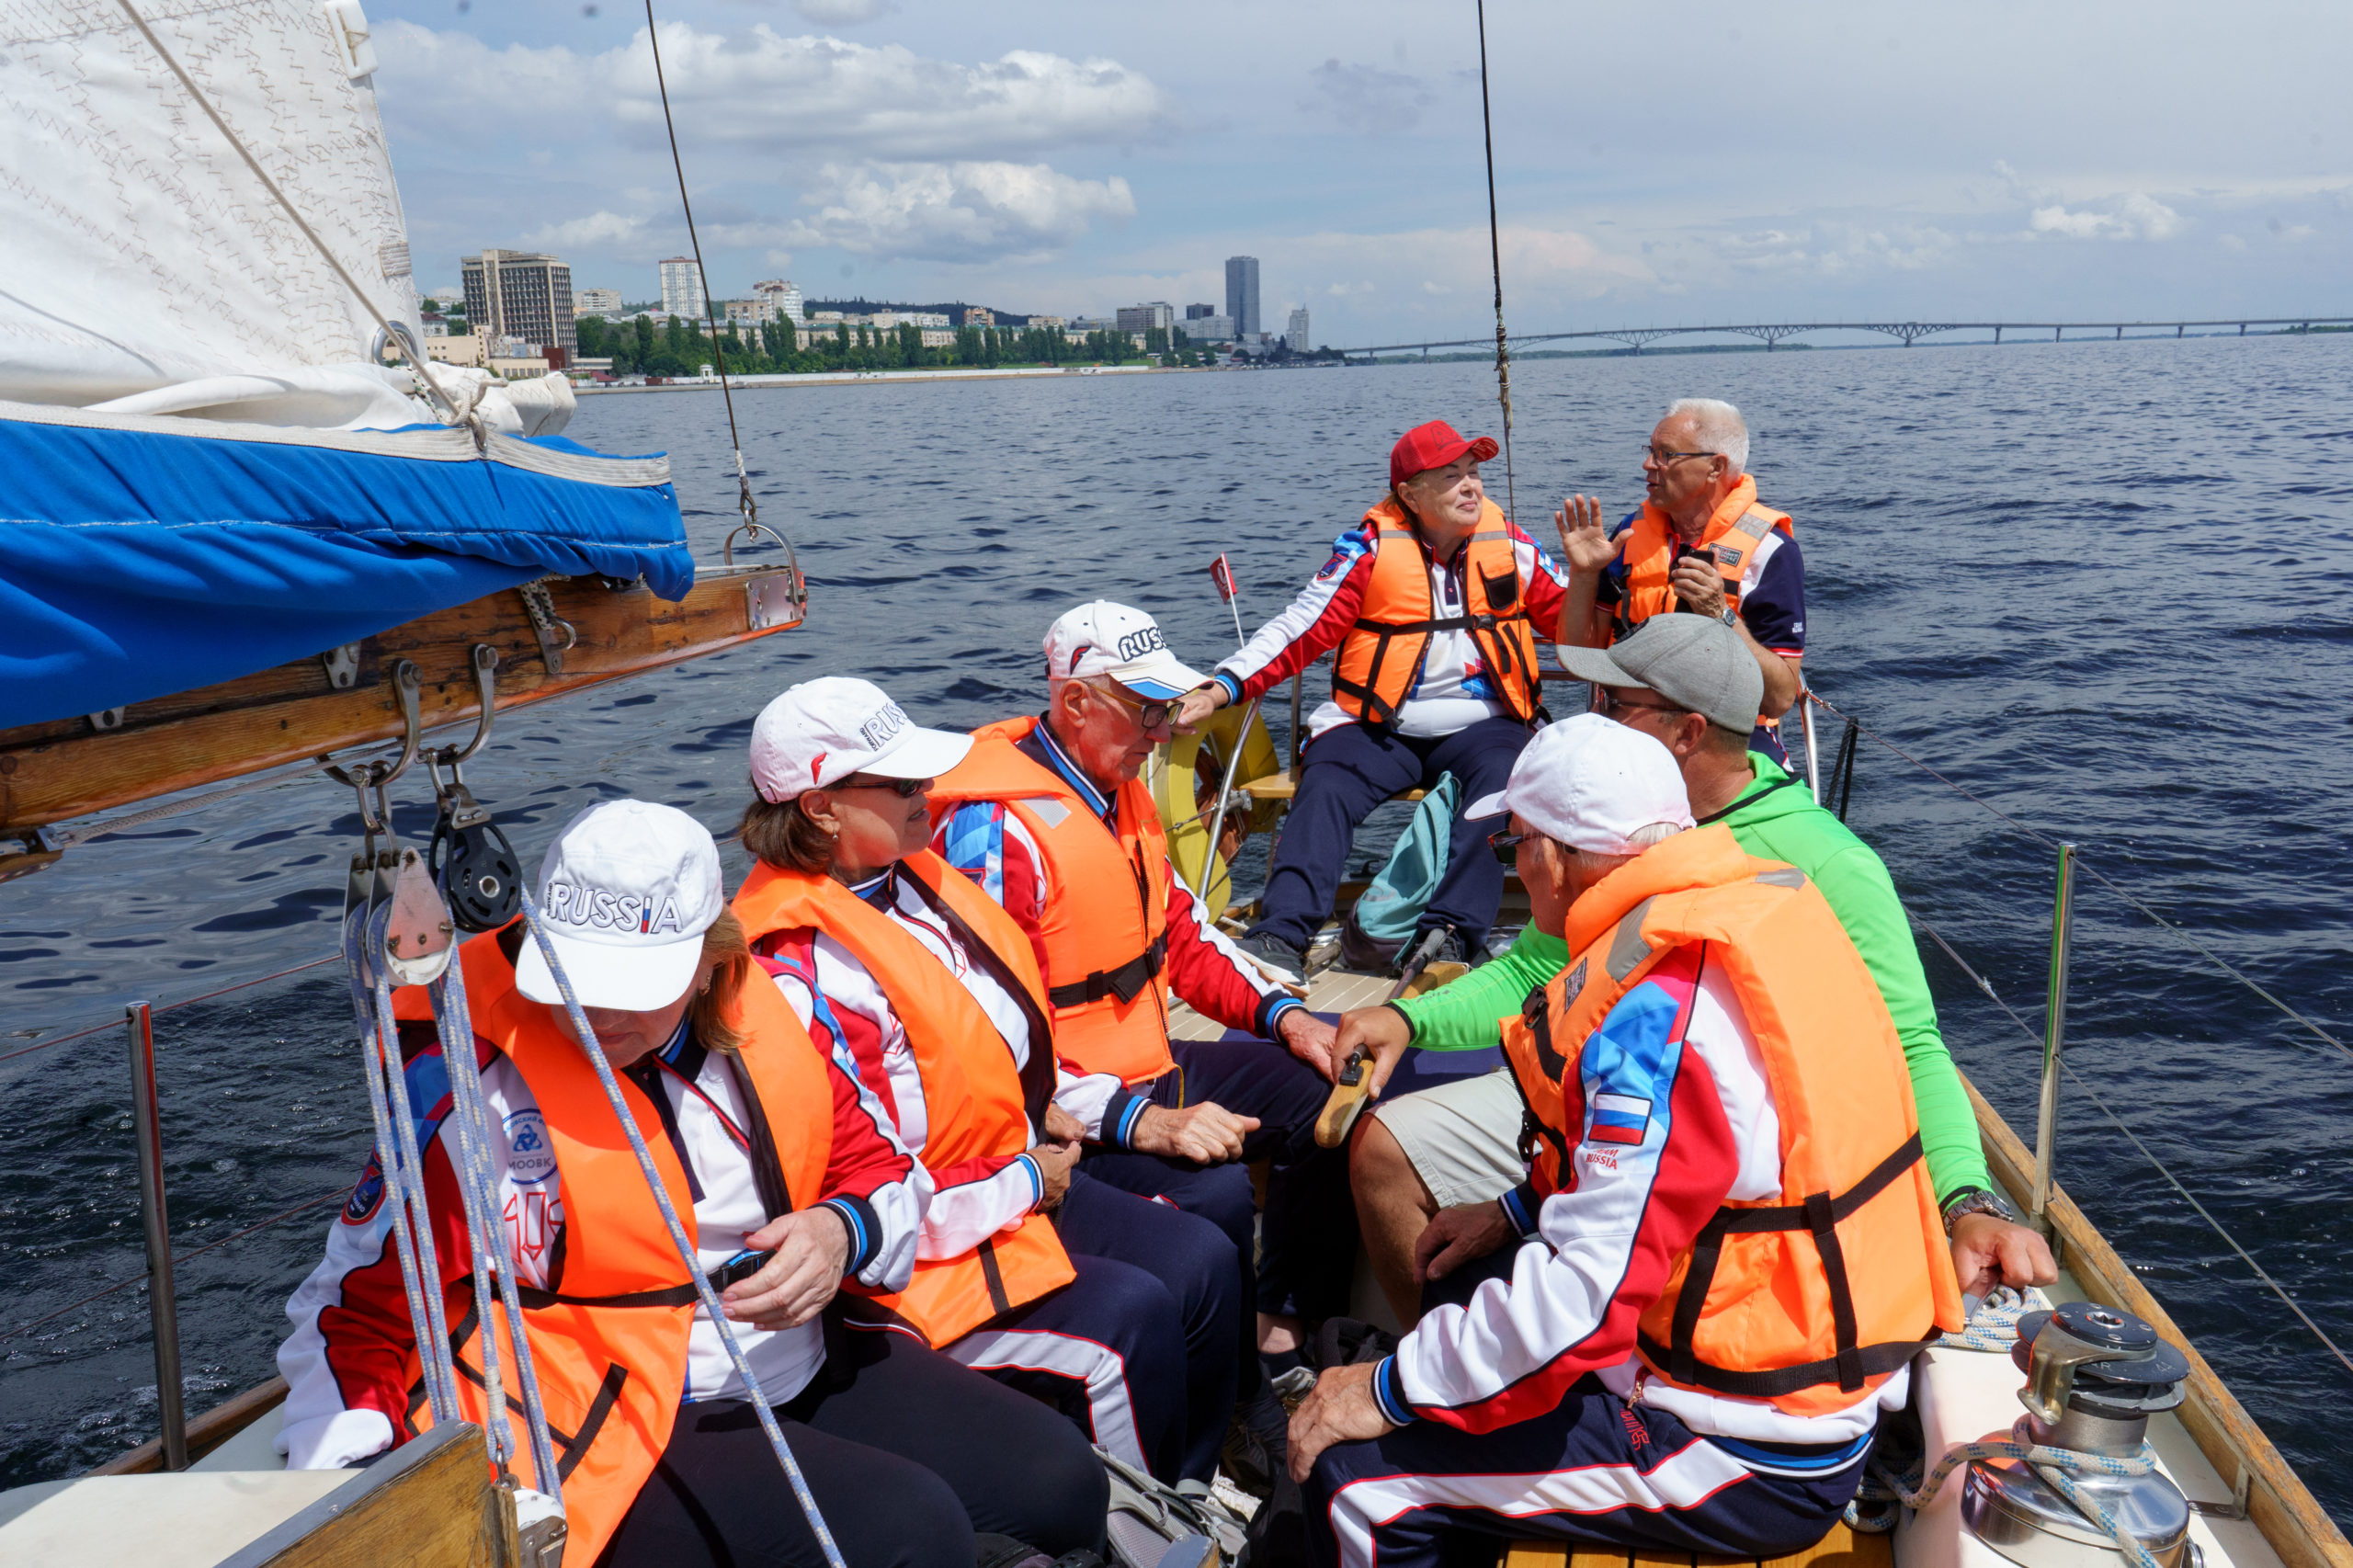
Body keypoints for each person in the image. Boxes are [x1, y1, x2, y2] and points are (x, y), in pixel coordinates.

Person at [279, 799, 1107, 1567]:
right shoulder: (470, 1085)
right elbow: (358, 1303)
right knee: (908, 1531)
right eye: (576, 981)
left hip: (800, 1362)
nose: (597, 1016)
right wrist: (346, 1486)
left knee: (1061, 1480)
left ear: (713, 965)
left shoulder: (780, 1022)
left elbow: (882, 1172)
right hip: (617, 1416)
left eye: (632, 989)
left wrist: (837, 1234)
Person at [1288, 717, 1964, 1568]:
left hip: (1745, 1450)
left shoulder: (1658, 1020)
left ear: (1560, 860)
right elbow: (1710, 1175)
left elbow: (1589, 1297)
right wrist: (1515, 1208)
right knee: (1455, 1285)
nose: (1515, 866)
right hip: (1799, 1372)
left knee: (1360, 1483)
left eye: (1515, 844)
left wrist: (1384, 1392)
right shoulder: (1756, 912)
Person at [1342, 615, 2057, 1327]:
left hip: (1731, 1140)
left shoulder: (1832, 864)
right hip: (1607, 1093)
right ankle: (1425, 1351)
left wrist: (1966, 1203)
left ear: (1687, 733)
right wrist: (1407, 1018)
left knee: (1386, 1146)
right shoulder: (1620, 823)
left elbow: (1910, 1048)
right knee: (1371, 1135)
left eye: (1616, 706)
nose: (1597, 719)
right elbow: (1534, 969)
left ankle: (1419, 1389)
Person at [733, 676, 1244, 1490]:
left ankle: (1195, 1479)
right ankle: (1155, 1524)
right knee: (1132, 1318)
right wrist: (1030, 1178)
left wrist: (1115, 1118)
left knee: (1204, 1256)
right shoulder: (798, 964)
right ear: (822, 808)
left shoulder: (918, 889)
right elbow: (874, 1178)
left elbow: (1005, 1063)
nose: (925, 793)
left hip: (1012, 1180)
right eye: (901, 783)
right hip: (930, 1242)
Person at [928, 600, 1350, 1476]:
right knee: (1219, 1199)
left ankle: (1271, 1336)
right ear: (1077, 704)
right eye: (1146, 711)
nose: (1162, 732)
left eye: (1167, 711)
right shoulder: (996, 833)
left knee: (1327, 1090)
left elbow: (1185, 939)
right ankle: (1218, 1427)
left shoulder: (1121, 795)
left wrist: (1288, 1018)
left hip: (1149, 1066)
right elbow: (986, 1044)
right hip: (1062, 1113)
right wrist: (1134, 1122)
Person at [1175, 420, 1591, 983]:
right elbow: (1301, 627)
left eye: (1474, 473)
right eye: (1451, 476)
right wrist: (1224, 685)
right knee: (1328, 783)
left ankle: (1450, 938)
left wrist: (1593, 575)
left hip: (1485, 724)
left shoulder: (1511, 548)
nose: (1472, 487)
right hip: (1375, 723)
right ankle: (1279, 934)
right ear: (1410, 495)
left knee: (1503, 786)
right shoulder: (1367, 551)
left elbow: (1581, 629)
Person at [1553, 396, 1806, 761]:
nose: (1647, 464)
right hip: (1627, 722)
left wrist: (1721, 614)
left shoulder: (1770, 551)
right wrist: (1583, 574)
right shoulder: (1628, 534)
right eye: (1650, 450)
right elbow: (1577, 657)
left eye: (1665, 454)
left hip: (1728, 736)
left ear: (1715, 468)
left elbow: (1781, 698)